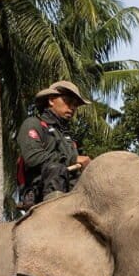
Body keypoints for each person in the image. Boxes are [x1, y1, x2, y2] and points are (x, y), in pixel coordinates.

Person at [16, 80, 92, 208]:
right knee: (55, 168)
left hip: (69, 192)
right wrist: (73, 159)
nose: (72, 108)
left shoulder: (67, 137)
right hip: (41, 191)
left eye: (75, 105)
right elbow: (33, 157)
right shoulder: (33, 124)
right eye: (68, 101)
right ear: (51, 100)